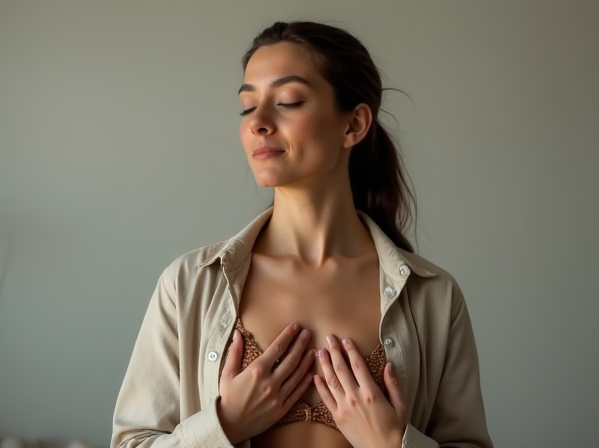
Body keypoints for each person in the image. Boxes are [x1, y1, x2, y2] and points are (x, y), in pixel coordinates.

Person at [111, 20, 494, 448]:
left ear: (353, 125)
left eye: (289, 101)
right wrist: (225, 425)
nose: (257, 121)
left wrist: (392, 443)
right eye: (247, 106)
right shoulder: (187, 286)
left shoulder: (435, 298)